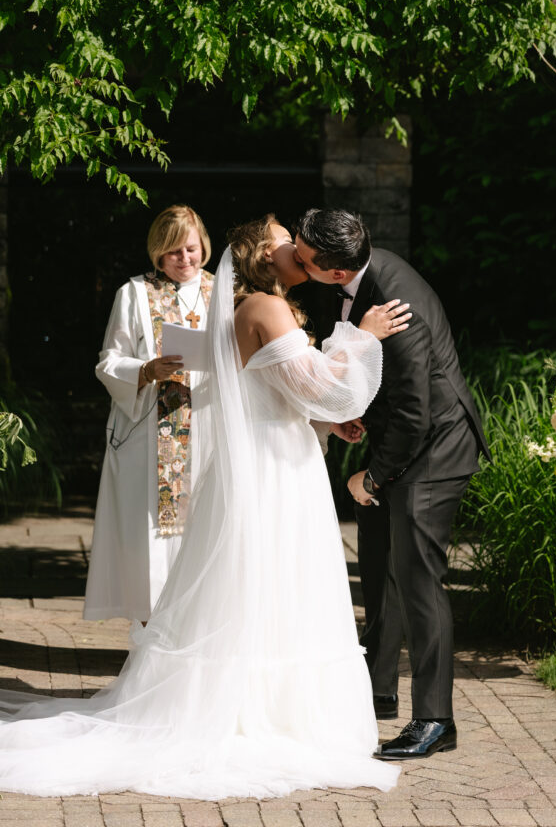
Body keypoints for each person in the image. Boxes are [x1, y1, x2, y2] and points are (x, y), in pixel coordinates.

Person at [0, 215, 408, 798]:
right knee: (274, 581)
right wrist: (363, 336)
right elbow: (328, 385)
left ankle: (258, 708)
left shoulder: (249, 308)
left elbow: (283, 390)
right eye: (285, 238)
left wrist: (322, 419)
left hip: (269, 458)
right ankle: (268, 718)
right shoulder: (264, 309)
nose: (296, 242)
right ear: (268, 257)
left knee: (261, 584)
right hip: (273, 468)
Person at [294, 208, 490, 761]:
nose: (296, 261)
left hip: (432, 452)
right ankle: (377, 693)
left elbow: (415, 413)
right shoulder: (363, 273)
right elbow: (388, 387)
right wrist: (357, 413)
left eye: (304, 259)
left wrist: (373, 474)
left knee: (417, 579)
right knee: (379, 567)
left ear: (335, 271)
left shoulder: (395, 304)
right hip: (400, 437)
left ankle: (434, 719)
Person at [84, 205, 214, 622]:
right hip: (149, 433)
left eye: (191, 249)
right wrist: (145, 370)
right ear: (157, 252)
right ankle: (151, 630)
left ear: (204, 247)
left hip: (209, 427)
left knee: (205, 529)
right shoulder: (135, 292)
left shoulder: (224, 292)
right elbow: (108, 362)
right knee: (152, 541)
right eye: (173, 252)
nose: (185, 260)